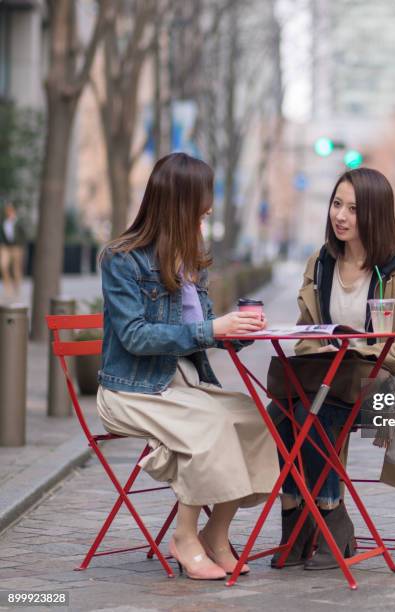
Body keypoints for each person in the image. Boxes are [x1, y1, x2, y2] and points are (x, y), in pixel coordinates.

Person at [96, 153, 279, 580]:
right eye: (203, 197)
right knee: (210, 426)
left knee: (256, 419)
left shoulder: (189, 261)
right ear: (180, 201)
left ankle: (217, 533)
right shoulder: (122, 259)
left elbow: (205, 332)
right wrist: (214, 329)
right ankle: (184, 535)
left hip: (182, 384)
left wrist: (239, 329)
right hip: (131, 390)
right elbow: (136, 337)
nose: (209, 207)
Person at [269, 168, 395, 570]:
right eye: (337, 204)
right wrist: (319, 345)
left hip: (385, 386)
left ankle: (330, 517)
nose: (340, 216)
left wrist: (359, 350)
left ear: (375, 214)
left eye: (354, 209)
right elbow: (305, 330)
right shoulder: (321, 263)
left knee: (317, 411)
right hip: (329, 380)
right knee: (280, 414)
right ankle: (296, 518)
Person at [0, 203, 27, 300]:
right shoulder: (4, 222)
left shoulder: (18, 222)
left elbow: (24, 234)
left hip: (17, 247)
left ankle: (17, 289)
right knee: (3, 265)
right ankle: (8, 288)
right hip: (6, 247)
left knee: (16, 269)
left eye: (10, 210)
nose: (8, 212)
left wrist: (21, 246)